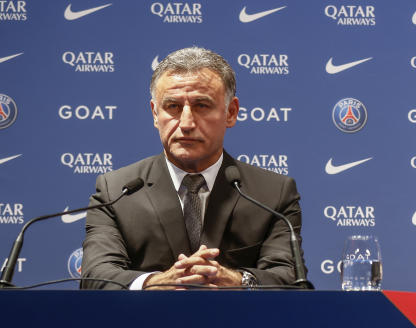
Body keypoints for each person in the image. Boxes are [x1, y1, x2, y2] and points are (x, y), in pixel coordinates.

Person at [80, 47, 307, 289]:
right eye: (173, 107)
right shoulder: (116, 191)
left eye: (201, 105)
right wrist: (153, 283)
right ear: (155, 114)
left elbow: (291, 278)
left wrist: (239, 281)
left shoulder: (273, 193)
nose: (186, 123)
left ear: (231, 112)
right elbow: (95, 275)